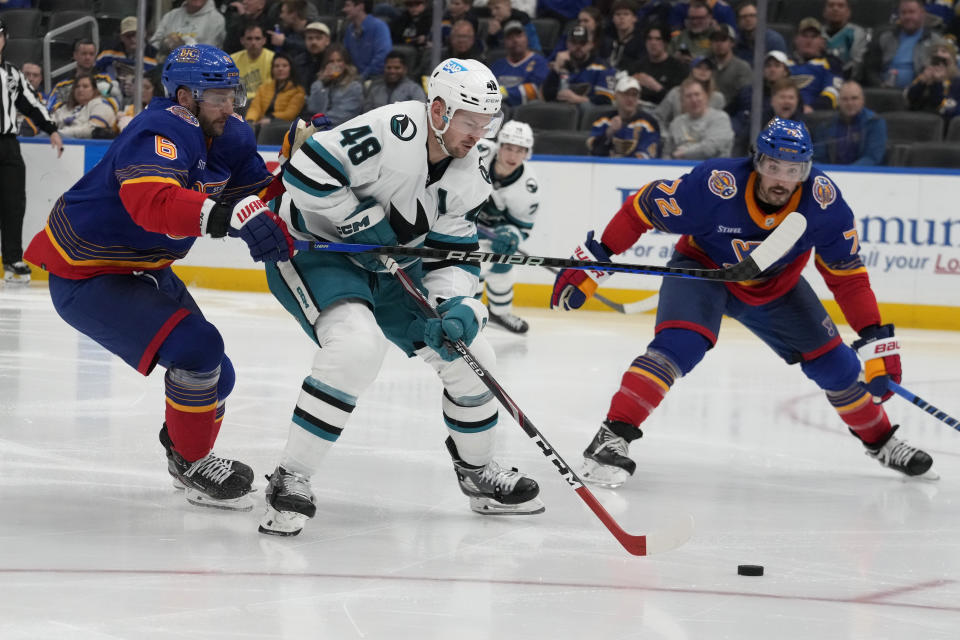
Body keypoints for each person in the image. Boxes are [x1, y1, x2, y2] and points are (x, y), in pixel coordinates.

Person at [550, 117, 935, 488]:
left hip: (775, 287)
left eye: (794, 170)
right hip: (704, 271)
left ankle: (883, 442)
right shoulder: (717, 186)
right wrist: (596, 259)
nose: (782, 180)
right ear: (757, 160)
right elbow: (642, 207)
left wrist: (875, 339)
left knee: (838, 367)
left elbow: (847, 276)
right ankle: (611, 437)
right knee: (678, 347)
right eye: (773, 166)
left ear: (807, 170)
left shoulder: (824, 203)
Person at [257, 57, 545, 536]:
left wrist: (452, 304)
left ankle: (477, 473)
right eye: (469, 122)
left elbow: (452, 252)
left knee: (473, 353)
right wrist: (358, 221)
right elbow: (305, 171)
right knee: (356, 347)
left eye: (485, 124)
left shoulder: (471, 170)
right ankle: (291, 477)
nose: (478, 135)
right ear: (438, 109)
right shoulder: (391, 129)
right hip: (319, 251)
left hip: (394, 263)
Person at [24, 44, 293, 510]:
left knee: (216, 378)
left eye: (233, 94)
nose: (230, 106)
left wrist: (301, 168)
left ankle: (180, 450)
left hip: (144, 267)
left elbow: (260, 199)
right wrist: (235, 218)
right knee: (199, 350)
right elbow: (152, 202)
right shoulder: (162, 125)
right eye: (218, 96)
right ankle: (192, 462)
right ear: (185, 97)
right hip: (88, 273)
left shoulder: (229, 135)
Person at [0, 20, 63, 284]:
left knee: (13, 204)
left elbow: (31, 103)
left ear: (5, 38)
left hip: (6, 145)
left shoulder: (12, 74)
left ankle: (12, 259)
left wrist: (51, 129)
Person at [474, 121, 540, 334]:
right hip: (459, 223)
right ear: (499, 145)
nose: (512, 155)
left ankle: (499, 312)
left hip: (491, 233)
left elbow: (523, 227)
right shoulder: (478, 151)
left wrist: (510, 236)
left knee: (503, 266)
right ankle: (465, 309)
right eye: (509, 148)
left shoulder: (528, 188)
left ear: (527, 153)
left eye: (520, 150)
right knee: (473, 267)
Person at [863, 0, 946, 88]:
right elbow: (870, 69)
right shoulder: (885, 37)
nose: (907, 16)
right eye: (903, 13)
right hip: (885, 92)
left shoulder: (935, 40)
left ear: (922, 14)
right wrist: (879, 85)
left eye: (911, 12)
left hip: (920, 93)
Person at [813, 80, 888, 165]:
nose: (850, 103)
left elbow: (872, 158)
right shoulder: (826, 125)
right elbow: (818, 158)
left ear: (863, 100)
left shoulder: (875, 122)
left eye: (854, 98)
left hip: (866, 175)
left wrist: (847, 172)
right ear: (838, 102)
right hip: (832, 174)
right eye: (845, 99)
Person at [587, 75, 662, 159]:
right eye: (625, 94)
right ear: (616, 95)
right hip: (605, 168)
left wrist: (620, 160)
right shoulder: (603, 120)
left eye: (634, 95)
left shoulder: (649, 123)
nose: (630, 99)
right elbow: (593, 152)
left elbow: (646, 155)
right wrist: (609, 133)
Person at [541, 25, 615, 106]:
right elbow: (547, 96)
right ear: (567, 44)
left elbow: (606, 100)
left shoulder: (602, 67)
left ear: (590, 45)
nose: (578, 47)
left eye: (582, 43)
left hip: (588, 113)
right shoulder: (562, 62)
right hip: (561, 110)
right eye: (574, 42)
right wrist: (556, 69)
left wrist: (578, 99)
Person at [661, 77, 733, 159]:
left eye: (697, 94)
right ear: (682, 101)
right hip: (680, 169)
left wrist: (683, 153)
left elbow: (710, 149)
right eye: (688, 96)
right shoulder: (676, 123)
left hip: (713, 169)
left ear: (706, 96)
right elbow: (666, 154)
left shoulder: (720, 118)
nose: (694, 100)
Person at [48, 39, 122, 112]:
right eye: (84, 54)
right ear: (75, 55)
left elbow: (118, 102)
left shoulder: (106, 79)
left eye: (91, 54)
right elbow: (50, 109)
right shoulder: (61, 86)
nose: (88, 57)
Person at [654, 55, 726, 129]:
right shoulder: (676, 92)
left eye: (707, 68)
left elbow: (720, 124)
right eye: (699, 67)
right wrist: (665, 135)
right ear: (691, 70)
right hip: (678, 137)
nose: (703, 71)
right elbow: (658, 117)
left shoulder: (718, 98)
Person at [488, 21, 550, 107]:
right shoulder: (497, 65)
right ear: (504, 42)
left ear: (526, 39)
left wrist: (502, 92)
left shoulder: (539, 62)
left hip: (526, 112)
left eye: (519, 36)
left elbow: (534, 90)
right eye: (510, 37)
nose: (515, 40)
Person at [627, 25, 688, 106]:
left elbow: (678, 102)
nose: (653, 43)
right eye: (649, 39)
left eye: (658, 39)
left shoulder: (678, 68)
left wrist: (657, 87)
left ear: (666, 43)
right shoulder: (637, 66)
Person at [306, 44, 364, 126]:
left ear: (345, 63)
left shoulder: (354, 86)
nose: (335, 65)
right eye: (331, 61)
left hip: (342, 130)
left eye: (339, 61)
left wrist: (318, 123)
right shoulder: (319, 85)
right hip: (320, 129)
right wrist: (322, 81)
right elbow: (313, 108)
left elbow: (345, 115)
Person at [245, 52, 306, 127]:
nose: (280, 69)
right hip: (261, 123)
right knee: (248, 127)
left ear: (291, 69)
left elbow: (290, 114)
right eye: (276, 66)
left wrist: (271, 118)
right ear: (272, 69)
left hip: (282, 125)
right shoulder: (263, 88)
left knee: (266, 128)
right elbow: (255, 108)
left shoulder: (298, 91)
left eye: (284, 66)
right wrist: (250, 120)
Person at [52, 72, 118, 139]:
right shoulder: (64, 108)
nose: (80, 90)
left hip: (86, 145)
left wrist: (59, 133)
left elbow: (92, 130)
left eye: (85, 86)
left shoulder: (102, 105)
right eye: (77, 87)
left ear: (94, 90)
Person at [904, 41, 960, 119]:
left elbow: (947, 110)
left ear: (953, 58)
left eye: (944, 51)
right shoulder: (923, 74)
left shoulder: (956, 81)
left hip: (941, 123)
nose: (938, 54)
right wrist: (922, 82)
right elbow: (910, 101)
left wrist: (937, 83)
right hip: (917, 119)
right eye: (935, 51)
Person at [150, 0, 226, 56]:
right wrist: (166, 43)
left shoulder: (216, 19)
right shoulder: (171, 15)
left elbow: (208, 54)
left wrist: (181, 47)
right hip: (165, 68)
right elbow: (154, 44)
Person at [342, 0, 393, 80]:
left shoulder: (379, 26)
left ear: (360, 6)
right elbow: (345, 55)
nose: (344, 9)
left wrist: (362, 76)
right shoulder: (349, 29)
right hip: (354, 78)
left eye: (347, 6)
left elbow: (382, 57)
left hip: (376, 79)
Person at [823, 0, 869, 80]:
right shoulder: (816, 33)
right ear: (824, 12)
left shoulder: (856, 33)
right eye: (831, 5)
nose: (835, 9)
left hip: (847, 82)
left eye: (840, 6)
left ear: (848, 12)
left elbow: (857, 65)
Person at [708, 24, 751, 106]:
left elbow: (746, 99)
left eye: (723, 39)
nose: (719, 44)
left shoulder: (742, 67)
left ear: (732, 43)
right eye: (715, 40)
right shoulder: (706, 66)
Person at [231, 23, 275, 103]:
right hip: (239, 105)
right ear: (242, 40)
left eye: (257, 38)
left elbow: (271, 92)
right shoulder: (232, 60)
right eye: (249, 39)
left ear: (264, 40)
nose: (253, 42)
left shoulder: (273, 59)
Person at [608, 0, 645, 71]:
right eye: (618, 14)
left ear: (635, 18)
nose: (621, 17)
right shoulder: (608, 41)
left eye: (626, 14)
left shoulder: (641, 42)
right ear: (613, 19)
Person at [302, 21, 332, 86]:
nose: (314, 42)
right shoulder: (298, 62)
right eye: (310, 38)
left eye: (318, 38)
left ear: (327, 41)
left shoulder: (333, 61)